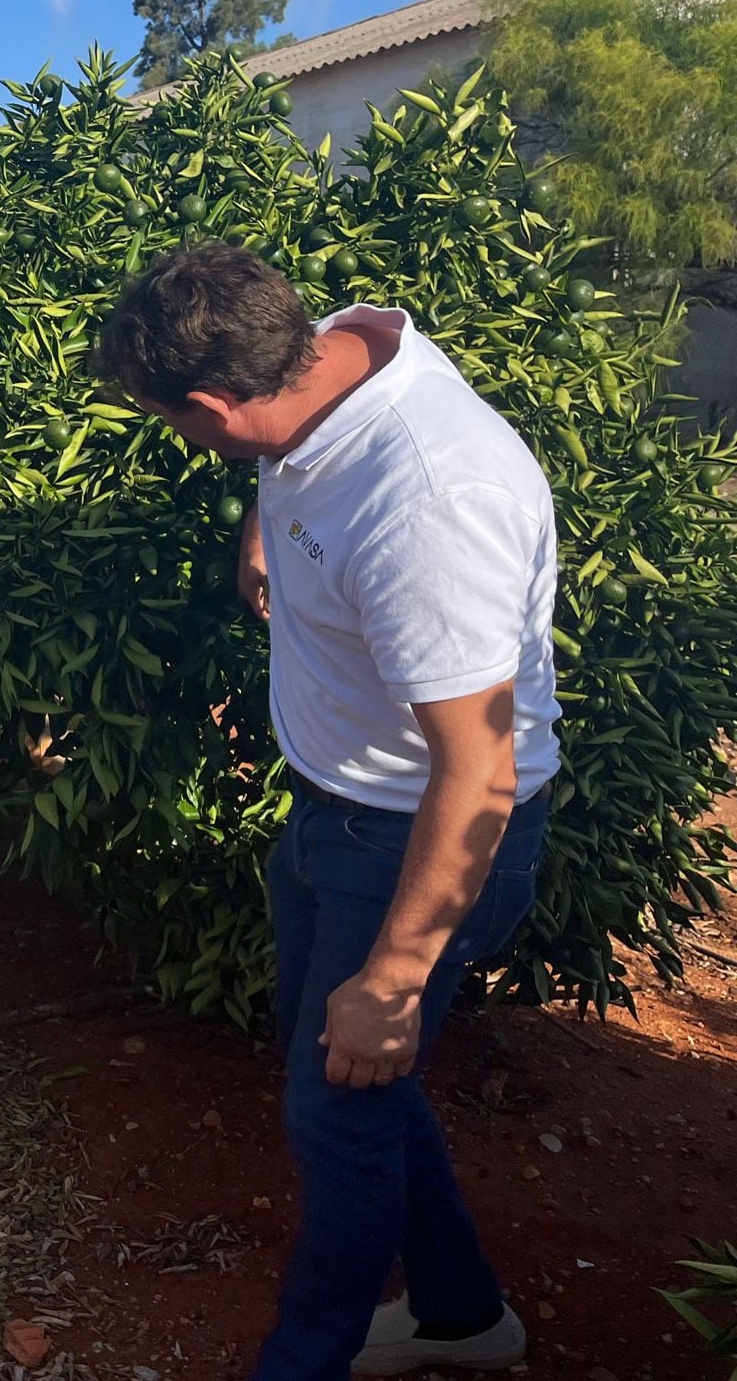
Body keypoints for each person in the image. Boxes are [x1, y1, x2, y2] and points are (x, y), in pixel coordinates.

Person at [92, 241, 559, 1381]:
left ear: (211, 403)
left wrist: (395, 979)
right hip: (335, 810)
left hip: (413, 838)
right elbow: (297, 455)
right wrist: (268, 519)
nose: (182, 440)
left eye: (173, 422)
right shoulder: (342, 351)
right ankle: (459, 1314)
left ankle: (301, 1360)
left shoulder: (428, 506)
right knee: (348, 1076)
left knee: (337, 1109)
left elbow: (477, 773)